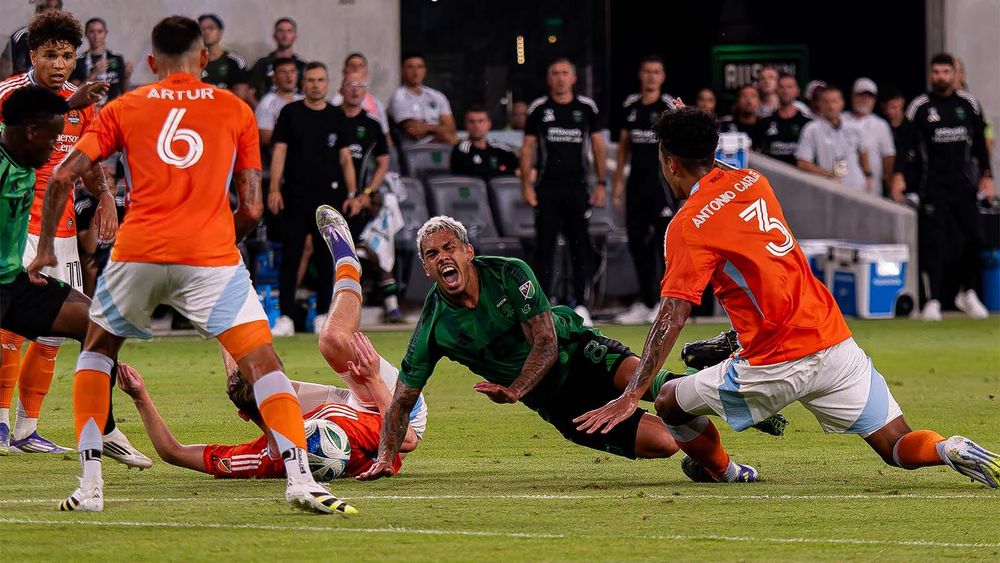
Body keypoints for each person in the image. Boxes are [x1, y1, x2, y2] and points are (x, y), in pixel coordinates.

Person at [27, 16, 354, 515]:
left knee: (97, 352)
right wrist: (224, 240)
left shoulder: (124, 107)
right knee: (263, 364)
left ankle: (90, 485)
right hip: (210, 256)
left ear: (153, 63)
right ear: (204, 59)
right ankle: (302, 480)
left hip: (137, 254)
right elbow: (251, 206)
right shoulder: (236, 109)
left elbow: (59, 179)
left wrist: (47, 247)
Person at [574, 107, 1000, 489]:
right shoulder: (753, 180)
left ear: (668, 161)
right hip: (834, 343)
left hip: (777, 360)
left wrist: (633, 393)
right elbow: (708, 166)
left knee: (669, 404)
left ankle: (724, 471)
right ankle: (948, 448)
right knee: (897, 444)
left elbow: (672, 314)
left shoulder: (687, 226)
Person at [355, 217, 683, 481]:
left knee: (669, 391)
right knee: (666, 442)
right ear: (426, 269)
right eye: (431, 254)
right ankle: (703, 452)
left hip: (580, 353)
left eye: (449, 247)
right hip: (558, 402)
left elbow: (546, 342)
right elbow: (401, 400)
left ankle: (717, 408)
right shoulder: (433, 326)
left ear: (467, 251)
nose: (442, 257)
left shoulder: (508, 272)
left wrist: (515, 389)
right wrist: (385, 457)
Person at [0, 10, 145, 465]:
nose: (59, 63)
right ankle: (2, 421)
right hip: (16, 227)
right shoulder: (9, 97)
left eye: (66, 55)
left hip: (57, 231)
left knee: (62, 333)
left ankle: (29, 427)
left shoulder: (81, 103)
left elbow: (89, 159)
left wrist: (104, 197)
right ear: (31, 56)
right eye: (49, 55)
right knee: (11, 330)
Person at [116, 330, 426, 479]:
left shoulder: (256, 459)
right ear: (286, 395)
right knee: (332, 338)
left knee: (240, 383)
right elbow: (408, 439)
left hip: (329, 423)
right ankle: (348, 266)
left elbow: (174, 452)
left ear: (243, 416)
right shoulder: (340, 426)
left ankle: (226, 328)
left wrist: (140, 396)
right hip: (402, 411)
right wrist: (372, 380)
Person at [891, 53, 993, 322]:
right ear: (930, 75)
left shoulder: (969, 104)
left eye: (945, 72)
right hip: (932, 186)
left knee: (976, 239)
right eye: (936, 72)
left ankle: (967, 292)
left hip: (963, 186)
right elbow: (905, 146)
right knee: (934, 244)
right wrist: (898, 175)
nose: (940, 77)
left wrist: (987, 175)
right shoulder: (920, 107)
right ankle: (933, 300)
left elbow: (981, 144)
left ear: (955, 75)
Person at [267, 61, 357, 336]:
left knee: (323, 257)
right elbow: (279, 152)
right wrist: (274, 188)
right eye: (310, 80)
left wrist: (353, 193)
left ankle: (322, 315)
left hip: (328, 199)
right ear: (302, 83)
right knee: (291, 255)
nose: (315, 84)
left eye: (320, 80)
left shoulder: (336, 115)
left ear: (327, 83)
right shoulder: (290, 112)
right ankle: (285, 317)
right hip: (294, 195)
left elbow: (345, 158)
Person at [520, 58, 607, 325]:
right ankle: (543, 305)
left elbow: (598, 147)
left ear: (574, 78)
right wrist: (526, 185)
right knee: (544, 248)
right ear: (549, 79)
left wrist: (601, 184)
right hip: (547, 189)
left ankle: (581, 305)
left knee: (579, 246)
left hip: (578, 189)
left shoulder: (586, 107)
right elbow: (527, 148)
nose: (560, 78)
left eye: (565, 73)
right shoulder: (539, 109)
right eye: (555, 73)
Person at [612, 55, 679, 325]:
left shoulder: (668, 107)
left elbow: (677, 147)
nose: (651, 77)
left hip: (661, 185)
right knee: (637, 244)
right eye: (647, 72)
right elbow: (624, 148)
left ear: (662, 77)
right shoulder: (630, 106)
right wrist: (617, 184)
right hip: (636, 184)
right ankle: (645, 301)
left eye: (656, 72)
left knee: (665, 244)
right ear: (641, 75)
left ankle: (665, 301)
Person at [334, 72, 402, 322]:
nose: (354, 90)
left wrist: (367, 194)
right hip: (333, 197)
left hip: (362, 201)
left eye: (360, 86)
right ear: (341, 88)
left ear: (366, 91)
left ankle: (391, 303)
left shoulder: (373, 125)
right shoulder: (332, 118)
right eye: (350, 85)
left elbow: (383, 163)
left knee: (377, 244)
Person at [796, 86, 873, 192]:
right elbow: (803, 162)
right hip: (830, 188)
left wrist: (868, 176)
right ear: (820, 104)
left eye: (834, 101)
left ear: (842, 103)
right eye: (826, 102)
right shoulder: (812, 129)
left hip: (857, 186)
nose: (830, 106)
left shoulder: (854, 127)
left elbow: (863, 152)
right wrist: (829, 174)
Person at [387, 53, 457, 146]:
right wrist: (440, 130)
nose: (415, 72)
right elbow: (413, 132)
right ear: (402, 70)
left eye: (419, 67)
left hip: (441, 151)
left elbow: (451, 128)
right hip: (413, 152)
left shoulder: (437, 96)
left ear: (424, 71)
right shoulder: (398, 96)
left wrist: (427, 127)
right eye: (410, 67)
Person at [842, 78, 895, 195]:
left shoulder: (881, 125)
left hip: (872, 190)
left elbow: (888, 157)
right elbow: (837, 154)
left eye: (869, 96)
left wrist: (890, 184)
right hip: (844, 188)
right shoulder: (840, 120)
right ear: (852, 96)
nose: (865, 99)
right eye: (860, 95)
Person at [69, 18, 132, 106]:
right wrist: (93, 75)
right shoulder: (78, 61)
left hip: (111, 111)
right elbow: (72, 94)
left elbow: (124, 92)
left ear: (105, 33)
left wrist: (126, 77)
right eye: (92, 32)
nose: (96, 36)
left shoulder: (116, 59)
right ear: (86, 34)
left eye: (100, 31)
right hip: (88, 111)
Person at [754, 72, 812, 166]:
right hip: (772, 175)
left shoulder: (808, 124)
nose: (785, 91)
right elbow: (755, 153)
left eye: (789, 87)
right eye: (781, 87)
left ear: (797, 91)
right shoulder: (764, 122)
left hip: (801, 177)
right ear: (776, 90)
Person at [451, 105, 519, 181]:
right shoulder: (462, 149)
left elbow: (519, 166)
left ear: (489, 124)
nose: (476, 125)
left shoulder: (498, 148)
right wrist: (512, 172)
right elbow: (479, 175)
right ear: (466, 125)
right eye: (471, 122)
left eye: (481, 121)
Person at [248, 18, 307, 103]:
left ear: (295, 36)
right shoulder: (262, 63)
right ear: (274, 35)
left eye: (289, 31)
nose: (285, 35)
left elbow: (309, 92)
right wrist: (261, 110)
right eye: (281, 31)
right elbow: (250, 91)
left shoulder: (302, 66)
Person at [331, 53, 389, 136]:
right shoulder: (336, 101)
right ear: (344, 71)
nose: (356, 69)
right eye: (352, 66)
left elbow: (385, 133)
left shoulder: (376, 103)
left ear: (366, 72)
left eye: (360, 66)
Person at [1, 0, 62, 79]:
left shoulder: (65, 38)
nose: (52, 13)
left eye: (56, 9)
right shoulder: (23, 36)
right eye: (48, 8)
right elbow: (12, 69)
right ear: (38, 11)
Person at [197, 14, 250, 104]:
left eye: (211, 28)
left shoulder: (235, 60)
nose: (206, 32)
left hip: (227, 109)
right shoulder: (192, 61)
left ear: (220, 32)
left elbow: (240, 96)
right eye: (202, 29)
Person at [255, 57, 301, 149]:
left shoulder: (303, 99)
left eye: (292, 71)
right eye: (283, 72)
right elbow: (265, 138)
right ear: (274, 78)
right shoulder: (267, 103)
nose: (289, 76)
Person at [880, 89, 918, 200]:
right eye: (887, 106)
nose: (891, 110)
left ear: (901, 102)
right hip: (887, 188)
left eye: (894, 106)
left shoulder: (913, 127)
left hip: (912, 187)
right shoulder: (881, 128)